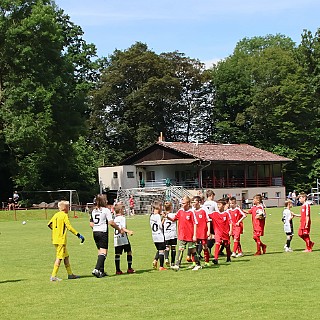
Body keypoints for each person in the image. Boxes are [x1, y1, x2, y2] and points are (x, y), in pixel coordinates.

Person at [48, 200, 85, 281]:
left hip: (55, 239)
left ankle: (70, 274)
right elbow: (69, 227)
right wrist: (78, 234)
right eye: (68, 207)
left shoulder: (56, 215)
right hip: (61, 240)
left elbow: (49, 224)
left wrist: (55, 230)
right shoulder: (64, 215)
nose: (69, 208)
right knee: (59, 258)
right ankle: (53, 276)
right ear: (64, 208)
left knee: (66, 257)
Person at [90, 194, 123, 278]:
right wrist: (119, 229)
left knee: (100, 252)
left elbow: (91, 224)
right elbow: (111, 222)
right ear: (103, 201)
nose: (107, 201)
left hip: (95, 232)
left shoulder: (94, 211)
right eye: (106, 200)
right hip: (103, 232)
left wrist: (96, 228)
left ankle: (101, 271)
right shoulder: (106, 210)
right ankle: (96, 269)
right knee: (104, 252)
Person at [168, 196, 201, 271]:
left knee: (193, 250)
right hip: (182, 234)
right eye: (182, 203)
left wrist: (195, 235)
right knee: (180, 249)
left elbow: (195, 223)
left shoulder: (191, 212)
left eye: (184, 203)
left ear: (188, 203)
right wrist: (167, 217)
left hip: (190, 235)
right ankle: (177, 265)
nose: (182, 204)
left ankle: (198, 264)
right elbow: (174, 219)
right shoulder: (180, 211)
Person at [208, 198, 232, 264]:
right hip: (218, 232)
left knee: (227, 245)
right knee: (217, 243)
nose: (218, 206)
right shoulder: (214, 214)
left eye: (220, 204)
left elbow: (230, 222)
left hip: (225, 232)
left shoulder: (226, 214)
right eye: (217, 205)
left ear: (223, 206)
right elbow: (207, 217)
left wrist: (230, 230)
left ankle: (228, 257)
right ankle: (216, 259)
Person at [113, 203, 135, 274]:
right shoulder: (122, 218)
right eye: (123, 209)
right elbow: (123, 228)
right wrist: (129, 231)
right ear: (120, 210)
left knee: (117, 254)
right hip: (123, 238)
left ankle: (118, 270)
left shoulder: (115, 219)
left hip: (116, 238)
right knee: (129, 252)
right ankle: (129, 268)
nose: (124, 211)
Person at [192, 196, 211, 267]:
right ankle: (194, 262)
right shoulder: (192, 212)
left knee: (204, 246)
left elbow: (208, 221)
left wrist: (208, 230)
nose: (193, 203)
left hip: (202, 231)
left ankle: (207, 261)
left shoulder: (203, 211)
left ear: (199, 202)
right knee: (193, 248)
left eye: (194, 202)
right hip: (195, 232)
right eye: (192, 202)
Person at [150, 200, 167, 271]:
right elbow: (160, 225)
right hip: (159, 235)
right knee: (161, 251)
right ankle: (161, 266)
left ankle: (155, 260)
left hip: (154, 236)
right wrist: (164, 219)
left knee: (159, 249)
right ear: (159, 207)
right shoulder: (157, 216)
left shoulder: (151, 216)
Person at [163, 201, 177, 267]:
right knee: (173, 247)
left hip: (166, 234)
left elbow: (161, 224)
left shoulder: (164, 216)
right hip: (173, 233)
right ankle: (173, 262)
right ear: (171, 207)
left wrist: (164, 217)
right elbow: (174, 220)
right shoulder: (173, 215)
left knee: (167, 247)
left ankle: (166, 258)